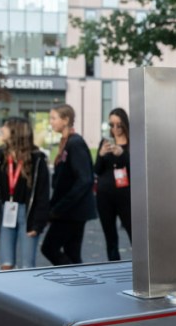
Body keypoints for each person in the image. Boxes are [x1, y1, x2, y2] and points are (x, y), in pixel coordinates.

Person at [0, 117, 50, 269]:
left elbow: (42, 193)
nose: (1, 130)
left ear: (15, 131)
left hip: (28, 214)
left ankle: (27, 292)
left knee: (28, 265)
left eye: (5, 127)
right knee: (6, 264)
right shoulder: (0, 157)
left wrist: (38, 224)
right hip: (5, 211)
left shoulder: (37, 159)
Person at [42, 103, 95, 266]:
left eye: (53, 118)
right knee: (72, 252)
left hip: (72, 210)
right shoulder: (66, 142)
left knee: (49, 248)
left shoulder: (75, 143)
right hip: (69, 209)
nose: (51, 122)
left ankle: (78, 278)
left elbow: (84, 179)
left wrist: (60, 207)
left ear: (65, 120)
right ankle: (77, 282)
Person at [94, 107, 132, 261]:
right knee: (110, 236)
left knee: (134, 233)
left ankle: (141, 268)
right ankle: (114, 266)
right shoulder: (105, 143)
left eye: (118, 125)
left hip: (126, 195)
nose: (115, 129)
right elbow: (96, 170)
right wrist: (102, 155)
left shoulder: (132, 143)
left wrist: (123, 154)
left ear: (125, 124)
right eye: (111, 125)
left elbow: (137, 169)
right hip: (105, 195)